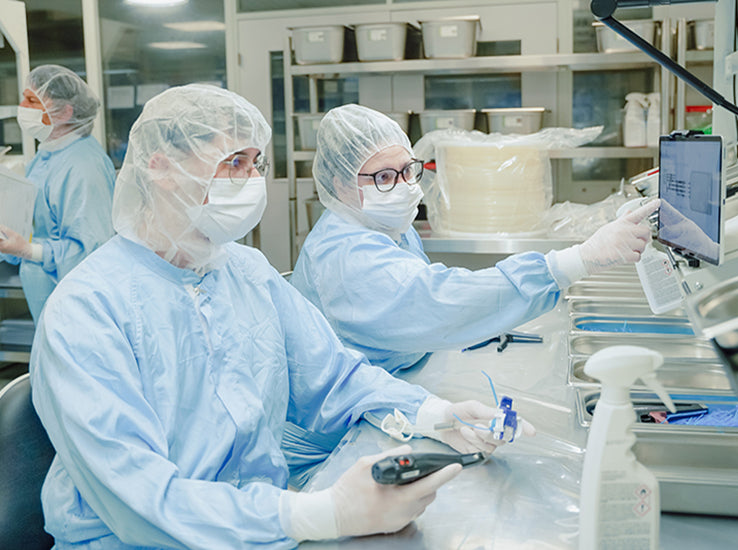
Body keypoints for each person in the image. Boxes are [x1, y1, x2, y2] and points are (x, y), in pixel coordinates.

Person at [29, 84, 533, 549]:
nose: (251, 181)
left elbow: (334, 377)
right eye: (233, 163)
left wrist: (436, 415)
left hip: (259, 522)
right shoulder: (87, 310)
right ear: (160, 168)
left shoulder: (244, 271)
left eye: (256, 163)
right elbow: (137, 494)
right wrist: (318, 515)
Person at [292, 104, 660, 374]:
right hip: (340, 434)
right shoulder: (346, 255)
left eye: (408, 171)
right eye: (384, 178)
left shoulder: (381, 225)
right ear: (339, 183)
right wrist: (576, 260)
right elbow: (435, 299)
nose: (404, 188)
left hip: (398, 375)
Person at [0, 65, 115, 324]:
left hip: (78, 301)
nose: (22, 106)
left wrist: (29, 250)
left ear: (65, 112)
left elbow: (92, 251)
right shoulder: (47, 155)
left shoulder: (83, 167)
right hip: (47, 296)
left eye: (32, 100)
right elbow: (36, 222)